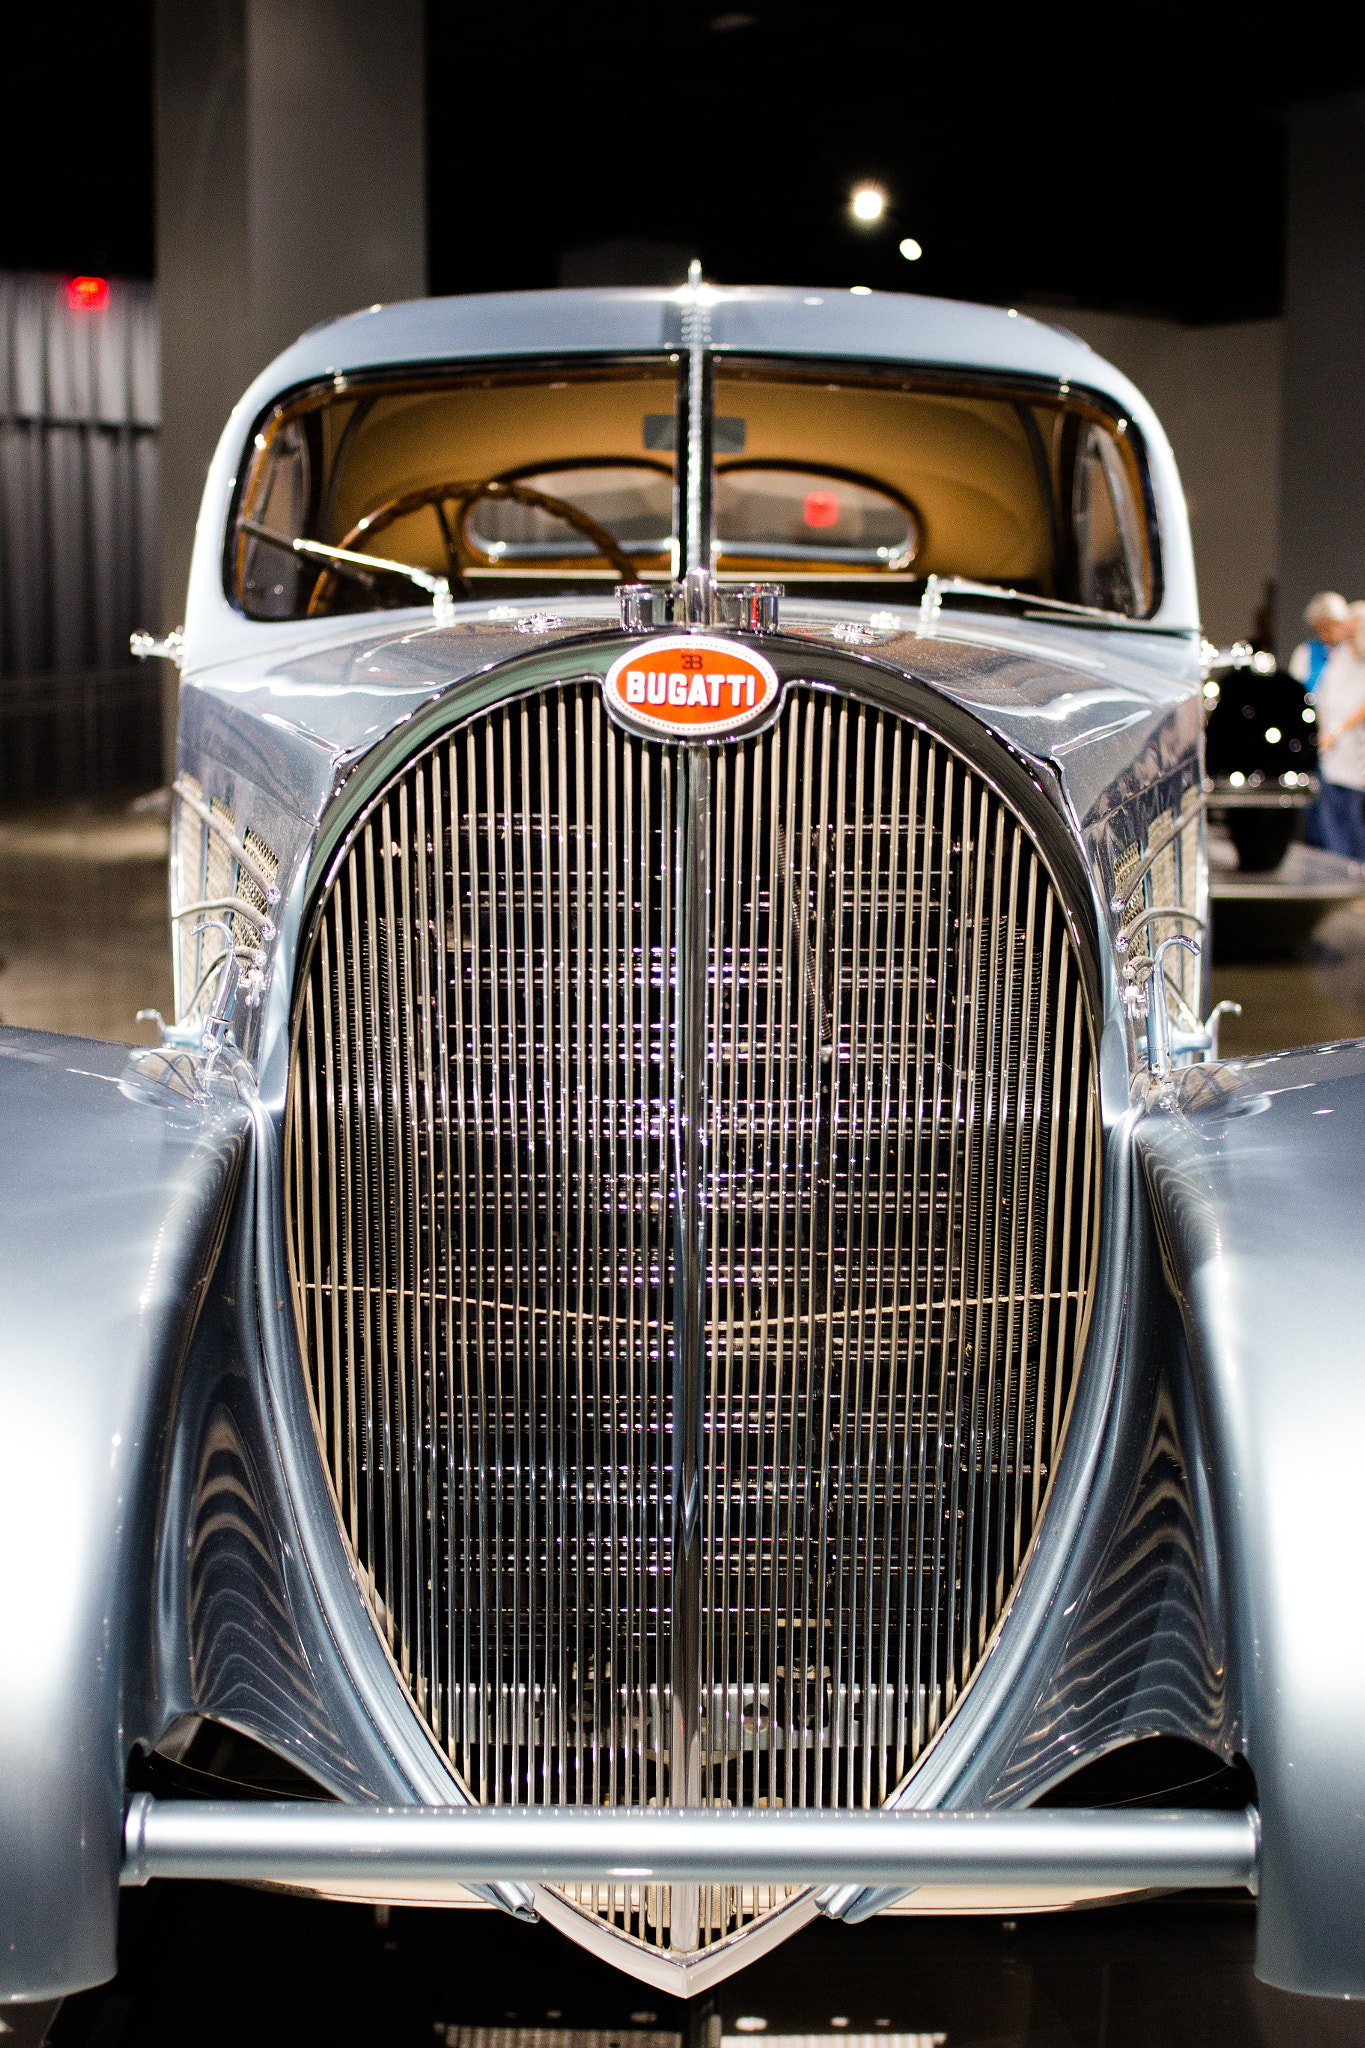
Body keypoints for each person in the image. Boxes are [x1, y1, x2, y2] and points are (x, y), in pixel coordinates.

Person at [1305, 599, 1365, 862]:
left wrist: (1338, 729)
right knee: (1331, 829)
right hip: (1332, 757)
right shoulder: (1340, 656)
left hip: (1355, 759)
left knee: (1354, 827)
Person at [1288, 590, 1351, 694]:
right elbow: (1295, 689)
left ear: (1341, 623)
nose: (1323, 635)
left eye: (1327, 628)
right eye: (1319, 629)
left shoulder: (1352, 651)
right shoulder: (1305, 651)